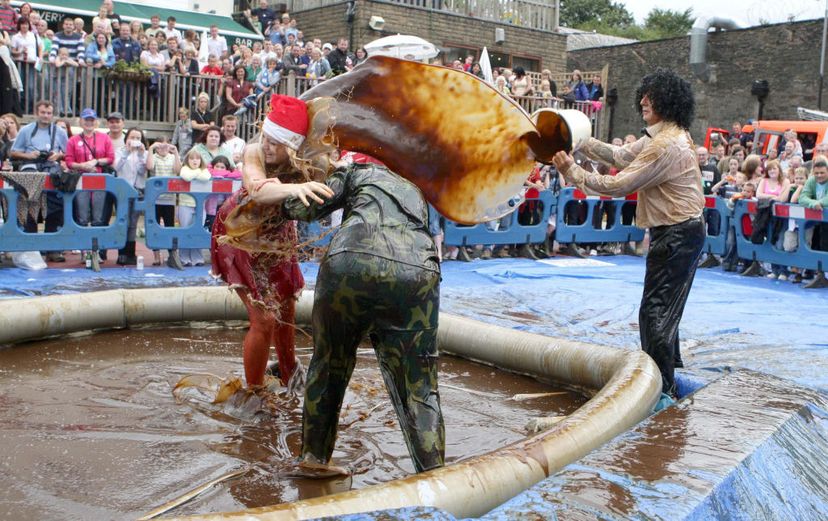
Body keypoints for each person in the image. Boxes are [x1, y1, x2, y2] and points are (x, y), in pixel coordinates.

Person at [280, 150, 445, 477]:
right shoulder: (415, 185)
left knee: (329, 365)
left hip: (351, 264)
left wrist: (285, 191)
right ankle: (435, 475)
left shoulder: (354, 170)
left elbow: (304, 206)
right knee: (419, 384)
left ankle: (314, 458)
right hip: (416, 274)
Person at [552, 69, 705, 409]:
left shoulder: (666, 144)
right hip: (681, 231)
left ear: (668, 101)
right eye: (643, 93)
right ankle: (670, 371)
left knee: (654, 313)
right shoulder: (664, 136)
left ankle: (661, 391)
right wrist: (578, 140)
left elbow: (618, 184)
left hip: (678, 233)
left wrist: (571, 170)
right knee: (666, 310)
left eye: (650, 95)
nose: (642, 100)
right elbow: (620, 156)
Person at [211, 94, 334, 392]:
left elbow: (337, 168)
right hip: (240, 232)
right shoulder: (254, 151)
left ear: (293, 147)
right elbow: (257, 189)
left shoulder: (311, 159)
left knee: (288, 305)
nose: (266, 145)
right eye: (266, 137)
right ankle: (254, 392)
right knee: (264, 318)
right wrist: (299, 186)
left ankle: (289, 371)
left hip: (277, 234)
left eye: (275, 143)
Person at [10, 99, 68, 261]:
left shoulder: (60, 132)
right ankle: (31, 247)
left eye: (49, 113)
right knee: (30, 207)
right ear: (37, 113)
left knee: (55, 208)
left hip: (52, 171)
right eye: (43, 112)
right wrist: (30, 155)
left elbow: (68, 153)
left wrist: (58, 155)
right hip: (31, 169)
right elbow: (13, 152)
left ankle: (53, 249)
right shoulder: (26, 130)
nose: (46, 116)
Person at [64, 108, 115, 251]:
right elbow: (69, 161)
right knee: (82, 216)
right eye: (86, 119)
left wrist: (96, 162)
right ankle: (83, 249)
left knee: (99, 217)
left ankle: (96, 249)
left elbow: (110, 158)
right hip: (81, 180)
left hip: (99, 180)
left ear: (96, 122)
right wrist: (82, 166)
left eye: (92, 120)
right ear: (80, 121)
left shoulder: (104, 138)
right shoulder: (73, 140)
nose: (89, 122)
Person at [113, 127, 147, 265]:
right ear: (127, 138)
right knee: (122, 221)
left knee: (133, 222)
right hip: (123, 190)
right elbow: (116, 167)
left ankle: (131, 253)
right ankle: (121, 253)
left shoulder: (144, 153)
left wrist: (140, 155)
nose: (135, 141)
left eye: (138, 138)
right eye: (132, 137)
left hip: (138, 189)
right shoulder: (119, 151)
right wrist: (127, 151)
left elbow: (142, 171)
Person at [146, 136, 180, 266]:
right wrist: (151, 149)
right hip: (155, 199)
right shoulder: (153, 156)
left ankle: (172, 254)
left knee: (169, 226)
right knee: (155, 227)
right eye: (160, 146)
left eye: (166, 145)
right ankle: (156, 255)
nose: (163, 148)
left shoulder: (172, 157)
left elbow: (177, 170)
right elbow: (149, 167)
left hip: (169, 199)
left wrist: (175, 152)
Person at [798, 155, 828, 288]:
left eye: (822, 173)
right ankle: (819, 273)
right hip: (818, 221)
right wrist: (814, 204)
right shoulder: (811, 180)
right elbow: (802, 198)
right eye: (816, 173)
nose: (819, 175)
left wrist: (819, 203)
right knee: (818, 244)